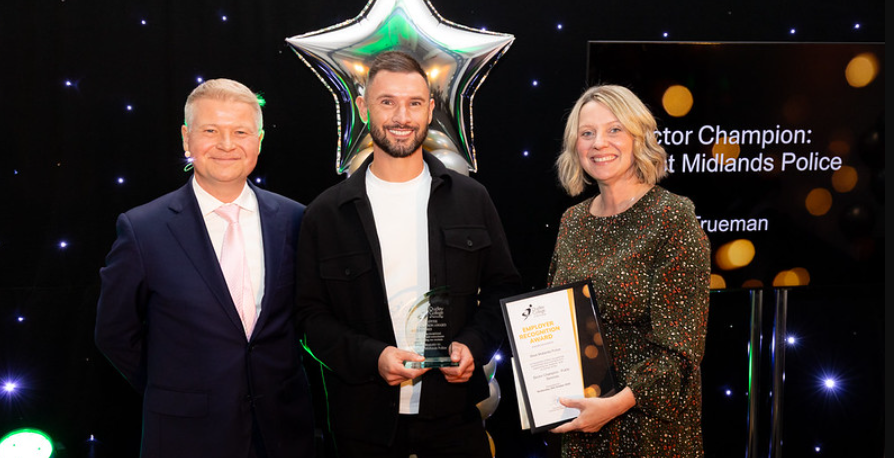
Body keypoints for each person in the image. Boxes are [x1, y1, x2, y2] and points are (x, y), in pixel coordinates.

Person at [294, 50, 521, 458]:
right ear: (363, 108)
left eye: (414, 103)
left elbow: (504, 289)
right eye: (387, 102)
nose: (402, 116)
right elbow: (310, 318)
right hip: (362, 427)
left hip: (455, 421)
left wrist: (473, 345)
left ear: (431, 109)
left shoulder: (472, 199)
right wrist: (373, 357)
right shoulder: (325, 214)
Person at [95, 78, 315, 458]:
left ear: (259, 141)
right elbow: (114, 332)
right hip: (185, 435)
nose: (227, 145)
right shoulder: (143, 229)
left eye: (241, 132)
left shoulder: (297, 219)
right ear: (186, 138)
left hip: (283, 432)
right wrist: (175, 385)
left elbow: (308, 316)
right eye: (211, 131)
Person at [547, 85, 711, 457]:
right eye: (587, 133)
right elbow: (557, 323)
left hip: (649, 431)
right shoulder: (572, 221)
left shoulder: (673, 218)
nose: (599, 143)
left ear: (639, 137)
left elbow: (681, 352)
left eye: (614, 130)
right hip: (583, 426)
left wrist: (616, 405)